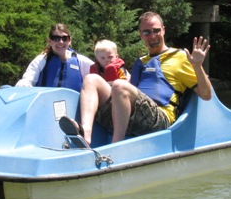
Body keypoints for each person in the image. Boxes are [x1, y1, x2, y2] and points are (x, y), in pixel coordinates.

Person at [59, 11, 212, 145]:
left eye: (156, 31)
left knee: (120, 85)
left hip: (160, 119)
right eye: (146, 32)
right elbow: (128, 95)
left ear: (163, 31)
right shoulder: (141, 61)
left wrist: (198, 66)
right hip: (132, 117)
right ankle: (86, 134)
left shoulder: (179, 57)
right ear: (141, 35)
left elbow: (206, 95)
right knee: (91, 79)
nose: (152, 36)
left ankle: (116, 145)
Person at [15, 23, 94, 92]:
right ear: (49, 41)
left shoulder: (80, 61)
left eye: (64, 38)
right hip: (46, 106)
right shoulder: (41, 60)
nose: (61, 42)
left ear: (69, 41)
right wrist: (21, 86)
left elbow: (98, 75)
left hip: (73, 107)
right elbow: (28, 80)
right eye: (56, 38)